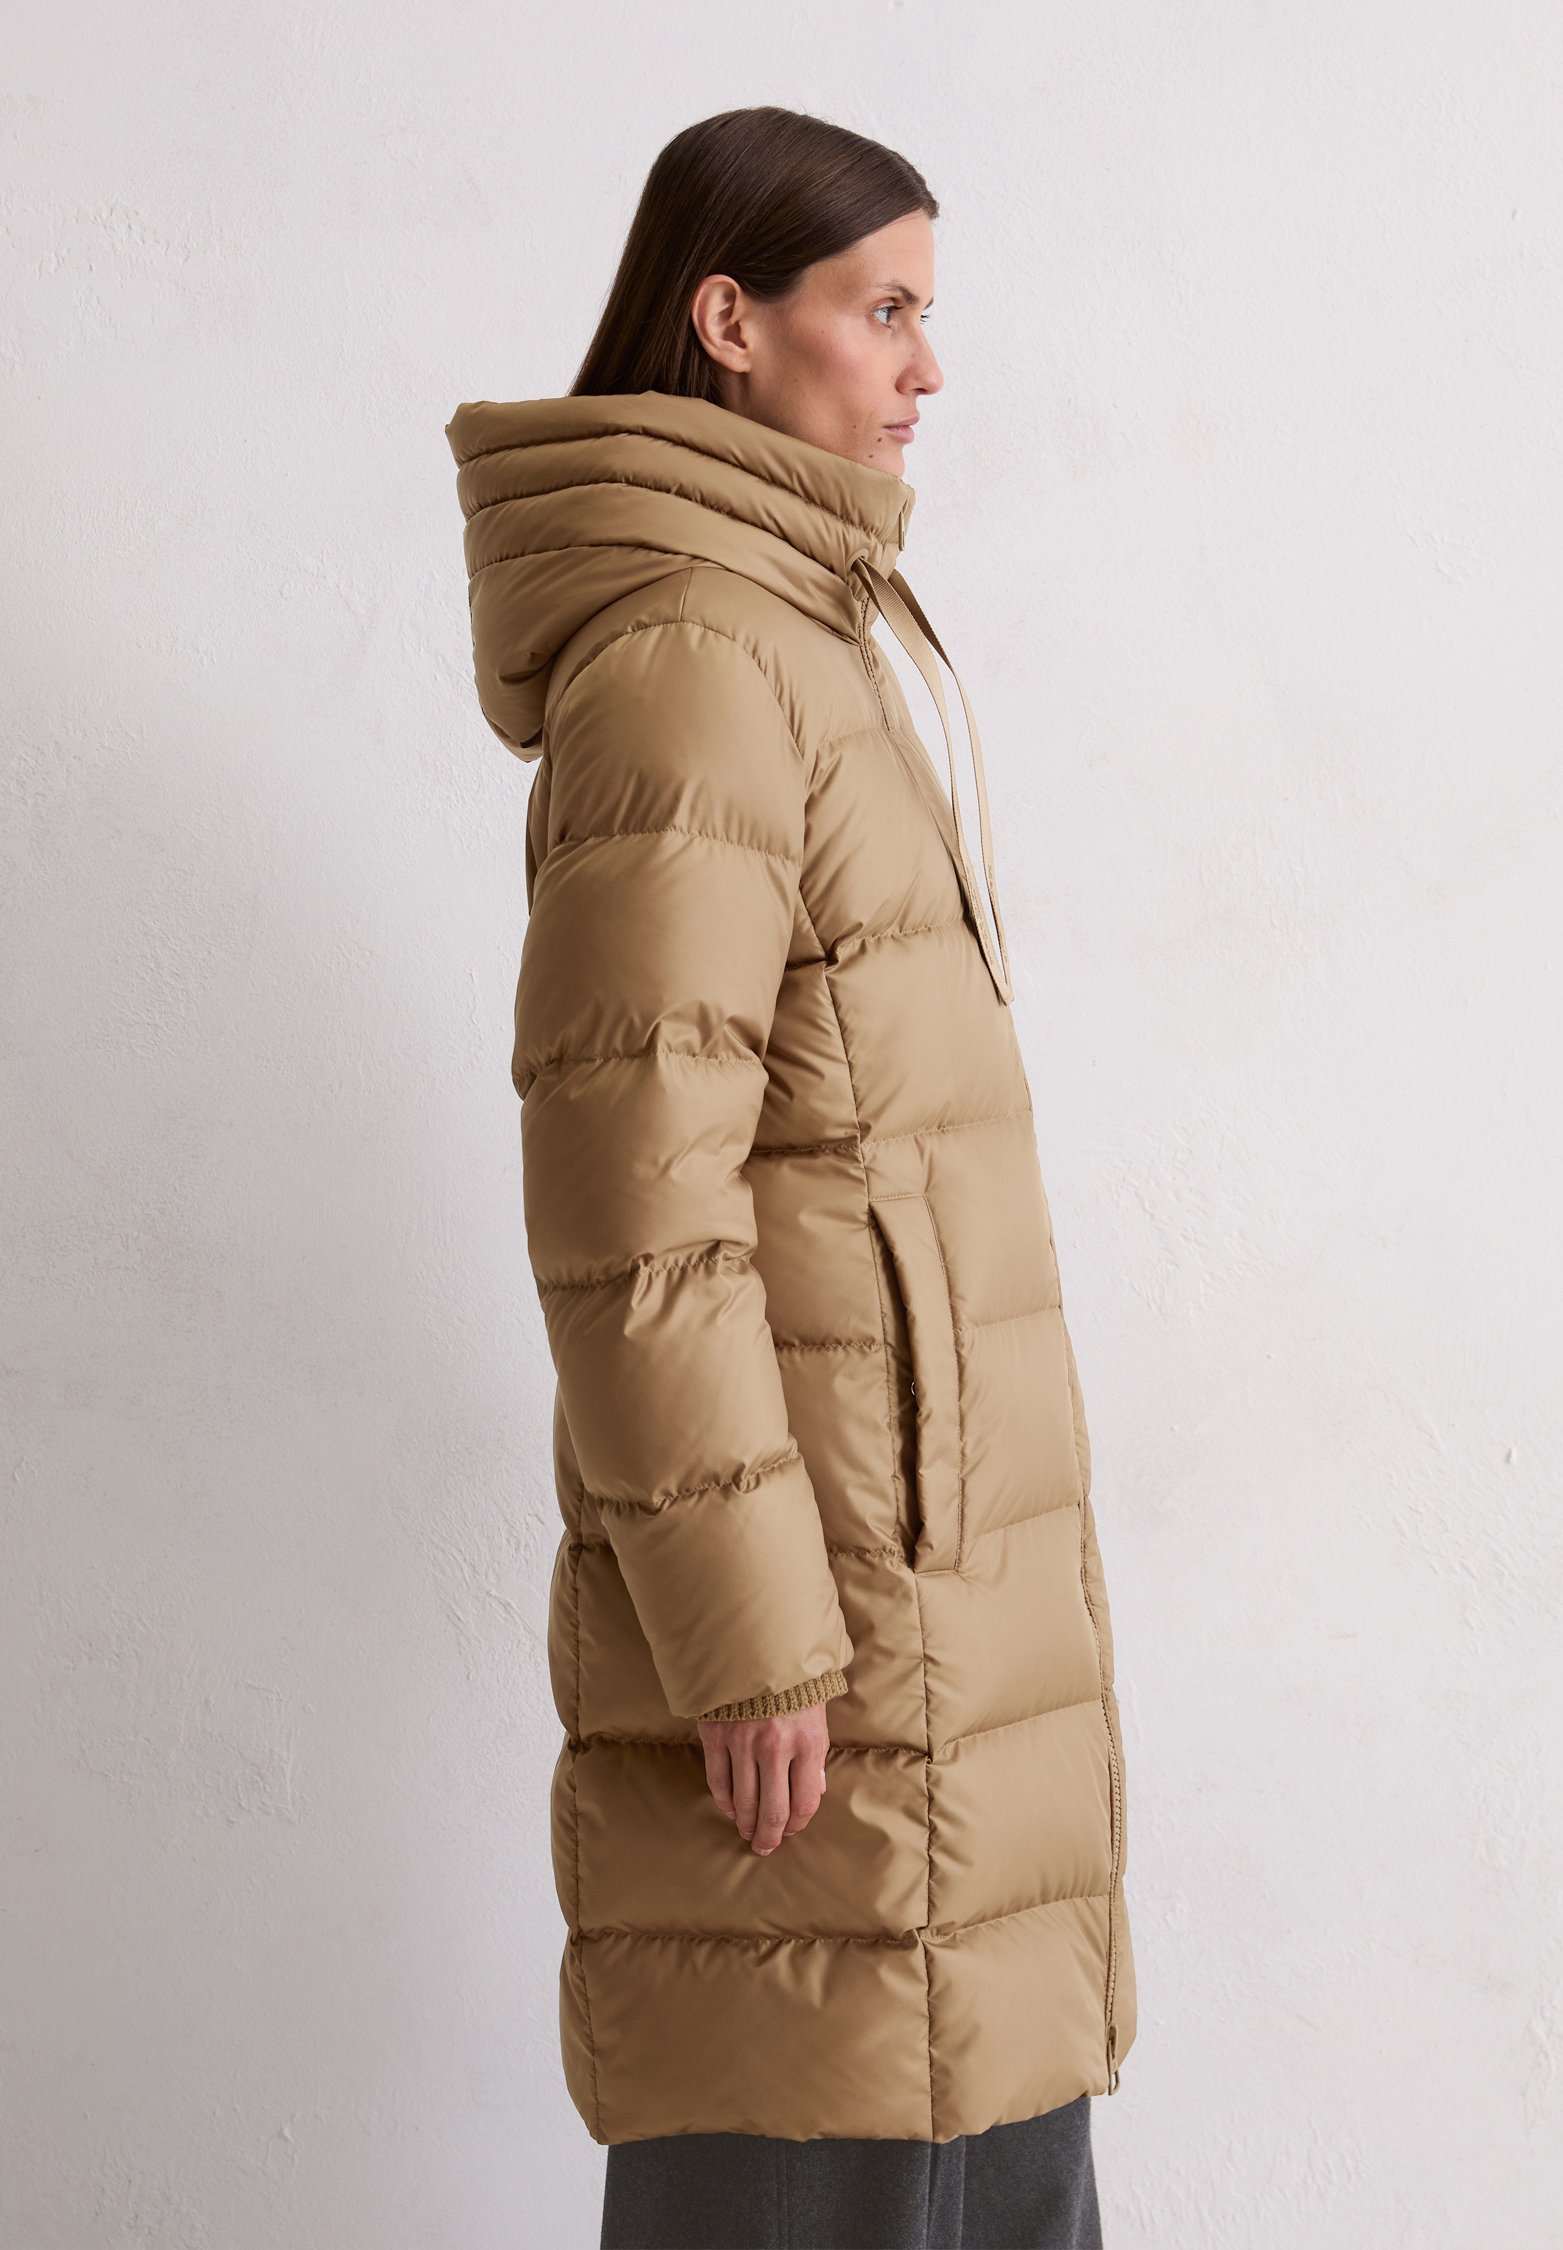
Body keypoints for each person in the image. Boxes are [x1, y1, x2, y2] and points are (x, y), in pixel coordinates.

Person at [444, 103, 1136, 2250]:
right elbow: (630, 1191)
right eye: (883, 308)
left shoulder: (803, 639)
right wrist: (746, 1636)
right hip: (825, 1636)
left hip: (931, 1617)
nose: (927, 365)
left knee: (968, 2141)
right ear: (730, 321)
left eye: (928, 311)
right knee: (813, 2149)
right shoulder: (694, 659)